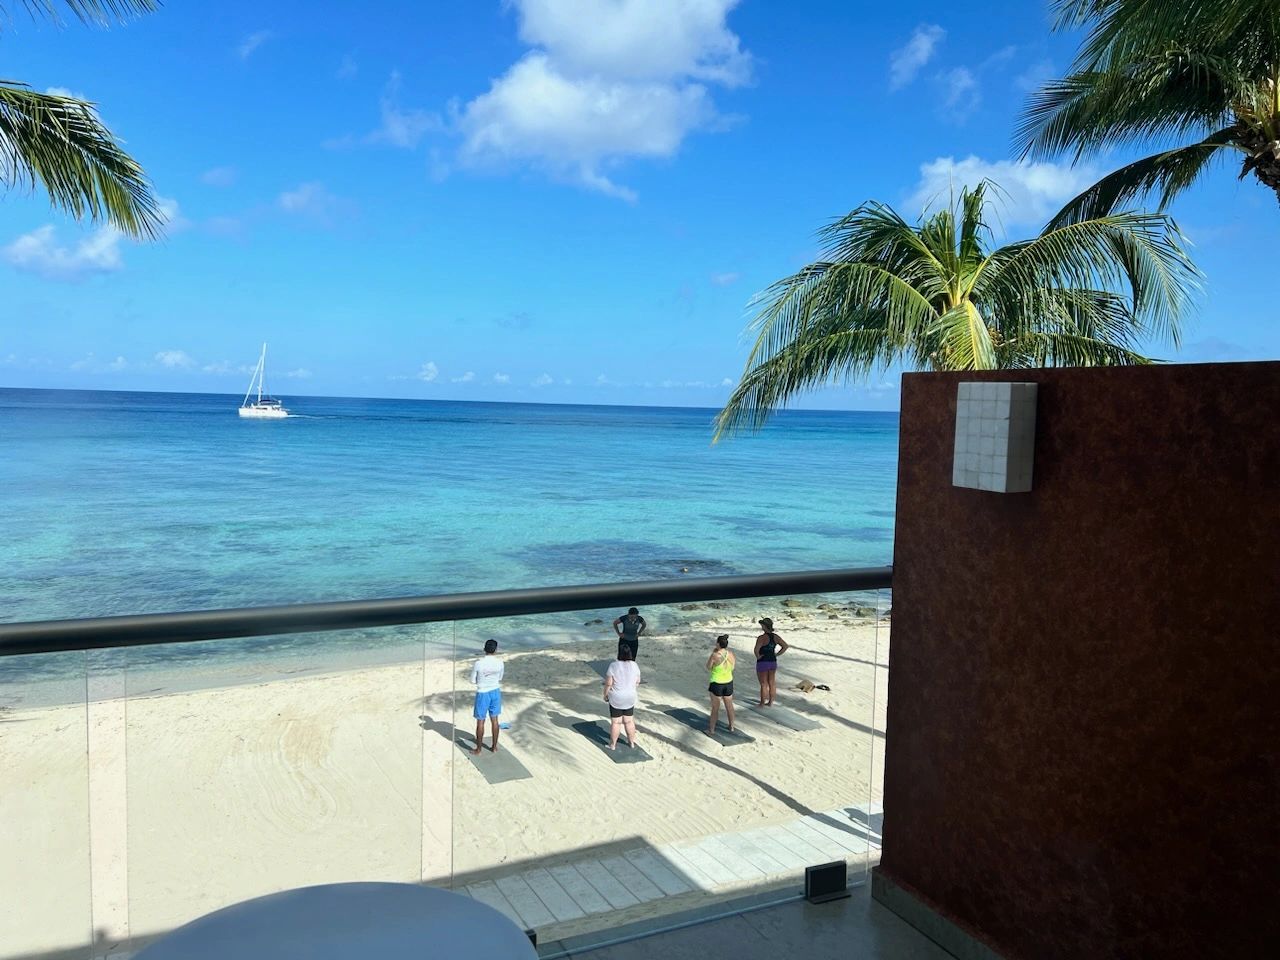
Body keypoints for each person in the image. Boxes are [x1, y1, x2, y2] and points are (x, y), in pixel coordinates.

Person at [603, 644, 641, 750]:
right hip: (630, 696)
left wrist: (605, 695)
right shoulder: (634, 665)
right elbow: (637, 682)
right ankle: (631, 743)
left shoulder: (613, 665)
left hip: (617, 697)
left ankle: (612, 745)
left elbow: (608, 684)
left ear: (619, 653)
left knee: (616, 722)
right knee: (629, 721)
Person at [470, 639, 504, 755]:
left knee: (480, 721)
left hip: (483, 693)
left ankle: (478, 749)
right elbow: (500, 678)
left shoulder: (478, 663)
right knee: (495, 720)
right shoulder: (500, 663)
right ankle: (494, 747)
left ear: (484, 649)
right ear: (495, 650)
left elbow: (472, 680)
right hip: (495, 691)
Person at [754, 617, 789, 707]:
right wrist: (777, 654)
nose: (761, 627)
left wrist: (758, 657)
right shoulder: (776, 637)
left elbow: (756, 650)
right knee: (772, 683)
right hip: (773, 661)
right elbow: (785, 646)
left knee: (763, 683)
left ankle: (762, 703)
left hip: (763, 661)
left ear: (765, 626)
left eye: (762, 625)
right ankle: (770, 702)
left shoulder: (761, 638)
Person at [706, 634, 736, 735]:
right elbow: (733, 667)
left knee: (715, 708)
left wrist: (714, 653)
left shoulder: (715, 655)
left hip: (717, 683)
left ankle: (712, 730)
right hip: (728, 682)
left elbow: (708, 667)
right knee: (729, 706)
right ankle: (731, 726)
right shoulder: (730, 654)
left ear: (718, 644)